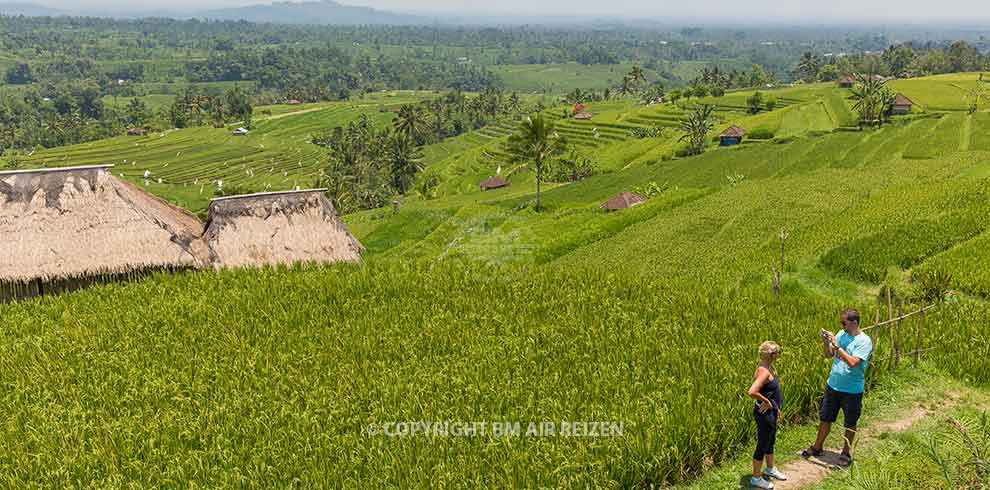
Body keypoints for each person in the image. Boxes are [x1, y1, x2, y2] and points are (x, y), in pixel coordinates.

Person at [802, 308, 874, 466]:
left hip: (852, 390)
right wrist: (826, 342)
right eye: (841, 322)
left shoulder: (864, 341)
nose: (841, 326)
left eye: (844, 323)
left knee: (850, 422)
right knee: (825, 418)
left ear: (854, 323)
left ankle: (846, 453)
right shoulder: (842, 334)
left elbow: (853, 362)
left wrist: (838, 346)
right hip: (833, 385)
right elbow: (829, 355)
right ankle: (817, 447)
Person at [747, 341, 788, 489]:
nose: (779, 354)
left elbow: (770, 391)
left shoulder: (766, 367)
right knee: (763, 443)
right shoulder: (764, 371)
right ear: (771, 355)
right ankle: (756, 478)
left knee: (770, 440)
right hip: (765, 414)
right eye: (777, 352)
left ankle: (770, 468)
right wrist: (767, 402)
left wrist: (775, 407)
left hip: (771, 412)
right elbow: (752, 391)